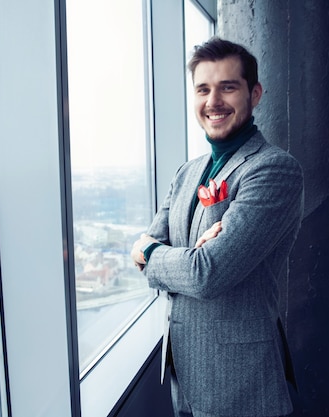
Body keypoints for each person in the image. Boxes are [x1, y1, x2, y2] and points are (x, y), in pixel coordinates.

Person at [131, 37, 304, 417]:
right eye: (203, 89)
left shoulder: (273, 169)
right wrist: (169, 253)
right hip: (183, 368)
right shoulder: (187, 171)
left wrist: (156, 254)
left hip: (237, 381)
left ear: (254, 93)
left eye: (228, 87)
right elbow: (149, 245)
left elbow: (206, 273)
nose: (214, 101)